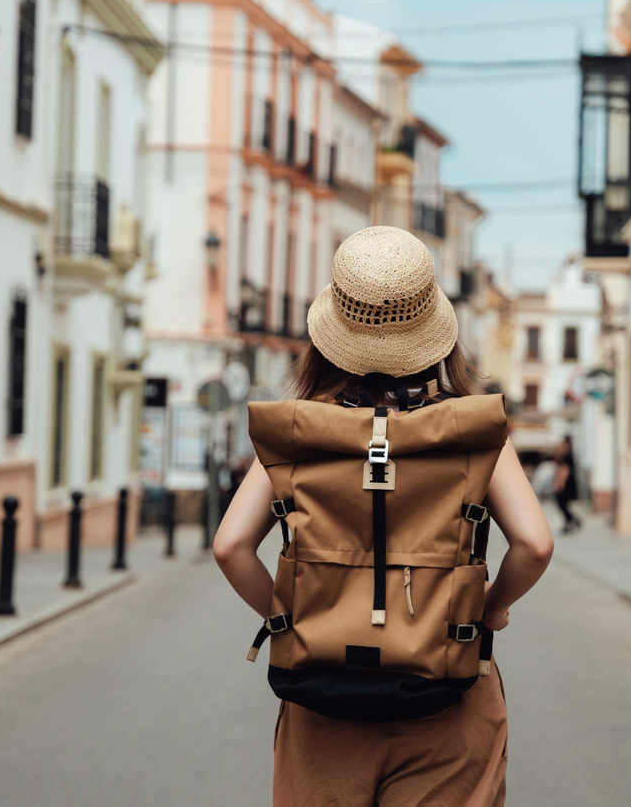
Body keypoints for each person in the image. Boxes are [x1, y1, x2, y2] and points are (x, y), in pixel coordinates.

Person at [213, 226, 554, 807]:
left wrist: (292, 620)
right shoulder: (468, 431)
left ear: (329, 333)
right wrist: (487, 610)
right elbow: (535, 544)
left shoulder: (301, 431)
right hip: (448, 690)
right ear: (435, 330)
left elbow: (230, 547)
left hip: (324, 701)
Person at [552, 436, 582, 533]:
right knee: (563, 504)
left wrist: (560, 484)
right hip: (569, 482)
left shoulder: (567, 456)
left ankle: (572, 521)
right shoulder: (568, 455)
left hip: (566, 483)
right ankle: (570, 522)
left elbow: (565, 470)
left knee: (561, 503)